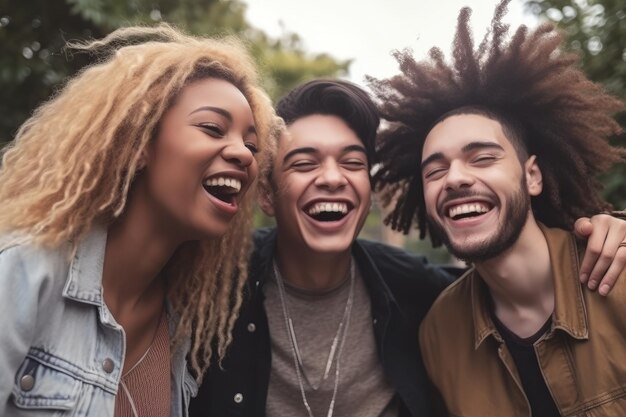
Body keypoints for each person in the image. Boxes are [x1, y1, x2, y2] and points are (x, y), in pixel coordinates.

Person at [189, 79, 626, 417]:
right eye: (303, 163)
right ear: (266, 195)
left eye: (353, 162)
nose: (331, 178)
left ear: (533, 175)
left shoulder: (416, 295)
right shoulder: (209, 282)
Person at [0, 24, 276, 417]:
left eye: (251, 145)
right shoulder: (23, 270)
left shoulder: (183, 329)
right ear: (139, 143)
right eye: (213, 128)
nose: (244, 155)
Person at [370, 0, 626, 415]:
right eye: (435, 170)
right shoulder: (439, 334)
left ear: (533, 176)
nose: (454, 178)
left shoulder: (618, 274)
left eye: (482, 158)